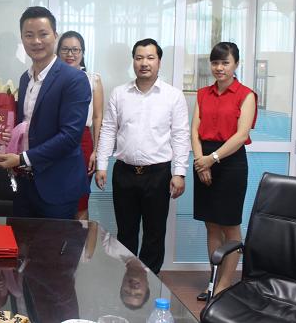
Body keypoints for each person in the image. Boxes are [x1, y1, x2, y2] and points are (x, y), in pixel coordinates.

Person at [95, 38, 189, 274]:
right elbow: (108, 130)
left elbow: (180, 135)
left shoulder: (173, 96)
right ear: (133, 62)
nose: (144, 63)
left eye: (150, 58)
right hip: (124, 173)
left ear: (159, 62)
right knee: (125, 232)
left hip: (158, 174)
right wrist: (102, 165)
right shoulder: (119, 93)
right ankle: (127, 278)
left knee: (154, 233)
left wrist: (179, 173)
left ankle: (150, 282)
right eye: (139, 58)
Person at [0, 6, 91, 219]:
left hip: (58, 186)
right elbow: (27, 125)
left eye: (43, 34)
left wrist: (22, 158)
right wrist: (11, 136)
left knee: (55, 241)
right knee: (20, 239)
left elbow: (70, 137)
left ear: (55, 35)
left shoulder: (74, 79)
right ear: (22, 39)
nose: (36, 41)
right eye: (29, 35)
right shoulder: (24, 78)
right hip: (25, 184)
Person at [192, 42, 257, 300]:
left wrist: (212, 159)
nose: (219, 68)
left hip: (230, 162)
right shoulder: (202, 94)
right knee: (211, 226)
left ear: (236, 64)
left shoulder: (246, 95)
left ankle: (224, 286)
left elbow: (241, 136)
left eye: (225, 63)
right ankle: (213, 282)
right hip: (204, 158)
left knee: (230, 226)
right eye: (215, 62)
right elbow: (194, 130)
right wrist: (201, 161)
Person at [57, 30, 104, 220]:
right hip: (54, 141)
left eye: (75, 50)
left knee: (80, 201)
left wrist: (97, 151)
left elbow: (98, 118)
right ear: (58, 52)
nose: (70, 54)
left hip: (82, 142)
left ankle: (81, 240)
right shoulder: (50, 79)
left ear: (82, 53)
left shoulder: (93, 80)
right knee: (56, 198)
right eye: (65, 49)